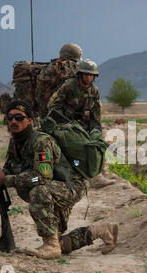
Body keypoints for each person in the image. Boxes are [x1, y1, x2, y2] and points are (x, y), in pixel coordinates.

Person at [0, 100, 118, 259]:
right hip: (55, 187)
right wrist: (0, 174)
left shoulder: (41, 142)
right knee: (61, 243)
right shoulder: (15, 142)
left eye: (19, 117)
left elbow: (42, 177)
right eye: (10, 118)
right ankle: (104, 231)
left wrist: (7, 180)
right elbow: (11, 167)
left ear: (29, 120)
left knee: (39, 192)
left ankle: (50, 246)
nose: (13, 121)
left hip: (69, 186)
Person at [48, 58, 116, 189]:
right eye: (86, 74)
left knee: (98, 143)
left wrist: (95, 130)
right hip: (65, 125)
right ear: (80, 74)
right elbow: (55, 108)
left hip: (84, 125)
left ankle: (99, 171)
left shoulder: (94, 91)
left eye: (91, 75)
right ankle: (93, 177)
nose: (89, 77)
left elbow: (95, 113)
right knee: (82, 145)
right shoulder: (68, 86)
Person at [35, 43, 83, 121]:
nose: (75, 64)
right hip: (57, 114)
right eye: (74, 62)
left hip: (45, 112)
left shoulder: (48, 67)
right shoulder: (63, 68)